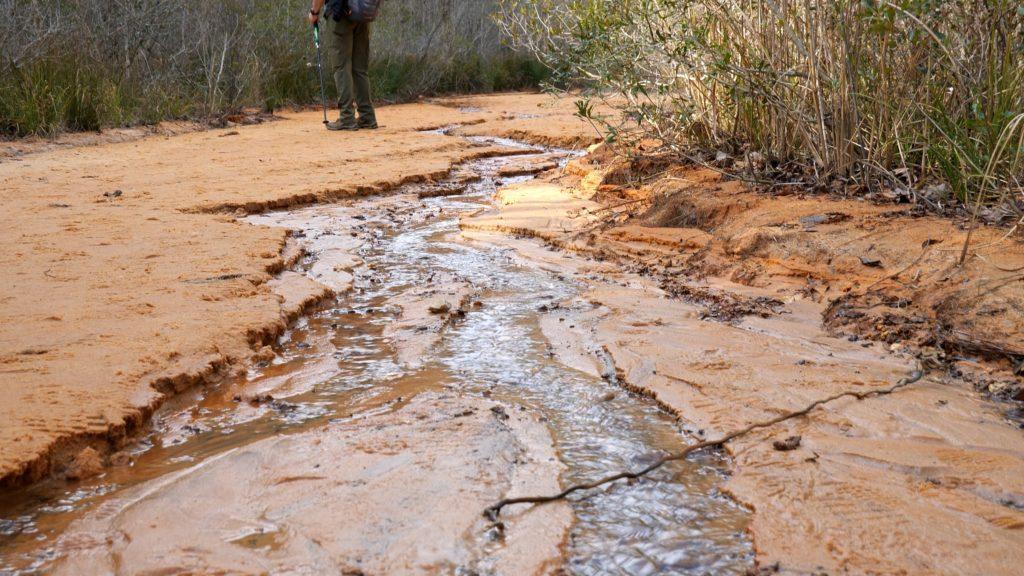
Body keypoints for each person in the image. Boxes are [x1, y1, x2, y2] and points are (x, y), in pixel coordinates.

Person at [309, 0, 377, 131]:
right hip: (361, 14)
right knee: (360, 69)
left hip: (339, 15)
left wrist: (314, 12)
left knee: (341, 66)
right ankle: (367, 116)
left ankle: (346, 117)